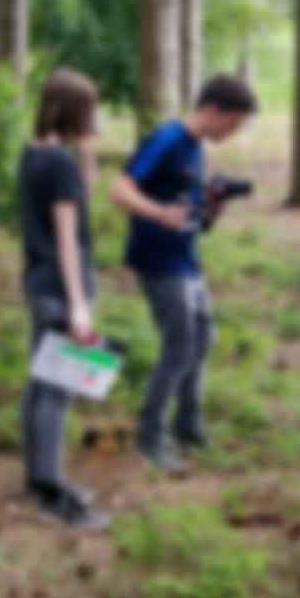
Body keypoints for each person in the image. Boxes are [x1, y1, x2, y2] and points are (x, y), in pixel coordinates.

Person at [108, 74, 258, 474]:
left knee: (203, 336)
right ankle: (150, 437)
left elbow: (189, 213)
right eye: (233, 123)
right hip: (159, 261)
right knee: (179, 345)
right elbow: (120, 189)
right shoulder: (168, 139)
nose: (233, 132)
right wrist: (158, 214)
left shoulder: (195, 148)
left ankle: (188, 424)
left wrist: (212, 207)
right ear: (213, 110)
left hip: (187, 259)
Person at [17, 70, 109, 529]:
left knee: (39, 384)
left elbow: (79, 200)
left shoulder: (35, 155)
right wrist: (78, 304)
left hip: (37, 281)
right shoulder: (59, 165)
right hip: (59, 286)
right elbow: (69, 238)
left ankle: (38, 477)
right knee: (56, 390)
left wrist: (87, 155)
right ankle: (54, 494)